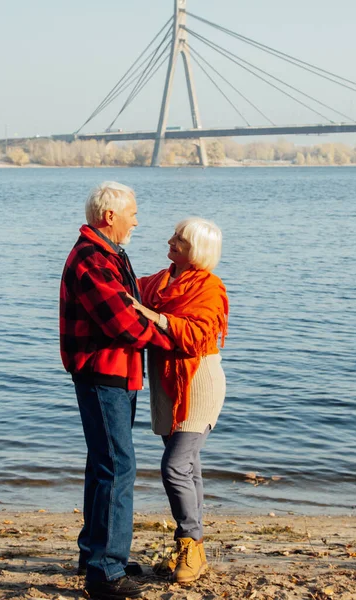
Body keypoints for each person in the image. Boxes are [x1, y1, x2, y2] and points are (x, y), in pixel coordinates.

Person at [59, 181, 174, 600]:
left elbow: (132, 303)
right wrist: (170, 334)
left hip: (119, 374)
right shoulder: (92, 258)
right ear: (110, 216)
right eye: (133, 213)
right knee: (117, 466)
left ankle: (97, 554)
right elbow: (123, 322)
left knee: (104, 462)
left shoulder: (110, 253)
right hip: (101, 373)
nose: (137, 220)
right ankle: (105, 572)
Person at [130, 217, 229, 584]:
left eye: (180, 239)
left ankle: (191, 541)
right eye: (173, 235)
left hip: (198, 381)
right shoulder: (158, 280)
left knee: (174, 467)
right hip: (167, 383)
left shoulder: (209, 287)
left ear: (197, 250)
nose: (170, 241)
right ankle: (193, 550)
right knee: (189, 468)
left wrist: (152, 316)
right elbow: (129, 294)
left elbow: (197, 334)